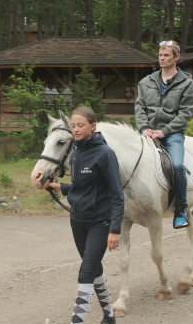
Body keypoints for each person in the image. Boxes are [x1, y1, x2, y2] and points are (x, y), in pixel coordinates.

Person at [46, 106, 124, 324]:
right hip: (77, 220)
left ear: (93, 126)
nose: (77, 129)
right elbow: (81, 187)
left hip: (100, 222)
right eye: (74, 125)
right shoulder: (77, 153)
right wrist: (60, 187)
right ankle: (109, 317)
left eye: (81, 125)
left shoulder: (105, 154)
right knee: (95, 267)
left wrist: (115, 229)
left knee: (86, 271)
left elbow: (117, 195)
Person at [134, 40, 193, 229]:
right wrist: (144, 128)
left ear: (176, 57)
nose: (162, 58)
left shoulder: (187, 84)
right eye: (160, 55)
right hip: (147, 133)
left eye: (166, 55)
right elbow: (139, 107)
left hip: (172, 134)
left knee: (177, 165)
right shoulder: (146, 82)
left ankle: (181, 210)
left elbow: (186, 113)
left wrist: (164, 131)